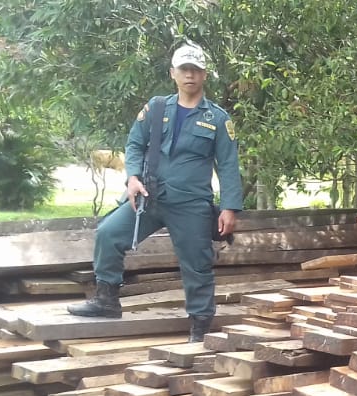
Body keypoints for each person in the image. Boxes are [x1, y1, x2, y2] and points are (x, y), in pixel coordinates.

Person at [68, 42, 243, 343]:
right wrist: (132, 178)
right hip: (150, 196)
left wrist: (229, 208)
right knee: (109, 233)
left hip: (191, 204)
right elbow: (135, 144)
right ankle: (106, 300)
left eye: (196, 70)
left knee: (196, 263)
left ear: (205, 75)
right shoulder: (157, 107)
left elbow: (228, 165)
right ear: (173, 73)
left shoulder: (217, 119)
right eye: (184, 69)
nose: (190, 75)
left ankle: (199, 326)